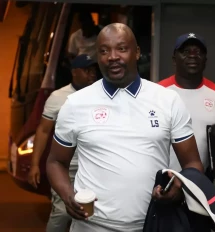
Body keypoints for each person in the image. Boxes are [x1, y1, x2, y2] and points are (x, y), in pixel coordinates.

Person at [47, 23, 204, 232]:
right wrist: (68, 196)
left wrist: (179, 188)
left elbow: (192, 163)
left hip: (151, 225)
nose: (112, 56)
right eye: (104, 51)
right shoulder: (76, 103)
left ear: (137, 52)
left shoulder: (167, 100)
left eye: (121, 48)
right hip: (92, 226)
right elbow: (55, 161)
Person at [158, 33, 215, 182]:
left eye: (198, 52)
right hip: (161, 182)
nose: (192, 56)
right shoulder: (157, 92)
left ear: (205, 60)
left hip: (201, 184)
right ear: (174, 60)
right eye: (185, 52)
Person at [27, 54, 97, 232]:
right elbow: (43, 131)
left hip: (94, 166)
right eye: (87, 70)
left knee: (93, 215)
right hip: (67, 167)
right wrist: (34, 164)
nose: (92, 75)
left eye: (93, 70)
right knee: (62, 213)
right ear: (75, 72)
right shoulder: (58, 97)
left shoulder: (101, 93)